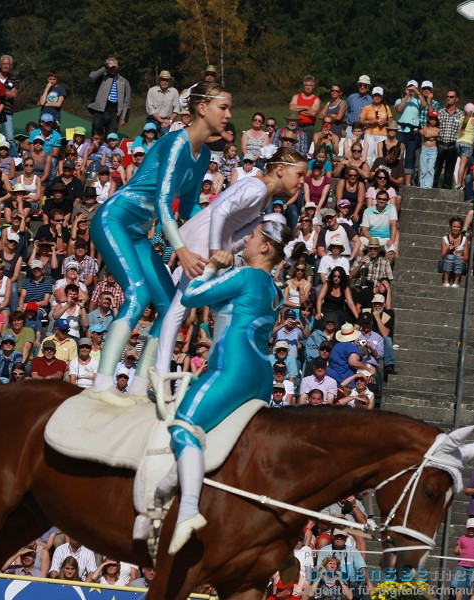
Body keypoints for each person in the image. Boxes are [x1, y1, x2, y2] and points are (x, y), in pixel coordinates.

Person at [85, 81, 229, 398]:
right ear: (202, 109)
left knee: (168, 306)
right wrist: (182, 250)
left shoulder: (204, 155)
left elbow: (189, 207)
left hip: (137, 231)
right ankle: (102, 382)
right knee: (137, 294)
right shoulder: (176, 144)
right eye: (223, 107)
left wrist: (216, 238)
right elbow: (164, 203)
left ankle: (138, 385)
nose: (228, 114)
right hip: (114, 219)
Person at [166, 219, 292, 554]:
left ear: (265, 247)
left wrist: (211, 267)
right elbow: (227, 309)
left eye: (251, 237)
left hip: (232, 367)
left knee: (182, 428)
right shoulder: (275, 291)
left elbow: (191, 296)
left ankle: (189, 510)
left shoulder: (245, 275)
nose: (245, 241)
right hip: (262, 376)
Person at [154, 147, 308, 377]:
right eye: (299, 175)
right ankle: (160, 368)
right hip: (205, 239)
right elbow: (219, 212)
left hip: (221, 242)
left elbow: (240, 230)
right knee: (180, 307)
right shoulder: (255, 188)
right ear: (279, 170)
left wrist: (229, 250)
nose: (301, 182)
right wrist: (216, 250)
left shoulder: (264, 197)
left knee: (203, 306)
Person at [88, 58, 131, 135]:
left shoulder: (124, 81)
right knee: (96, 134)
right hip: (99, 111)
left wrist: (124, 117)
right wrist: (105, 67)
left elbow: (126, 102)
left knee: (111, 137)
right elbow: (92, 76)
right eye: (110, 66)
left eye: (114, 66)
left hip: (114, 113)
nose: (112, 69)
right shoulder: (101, 77)